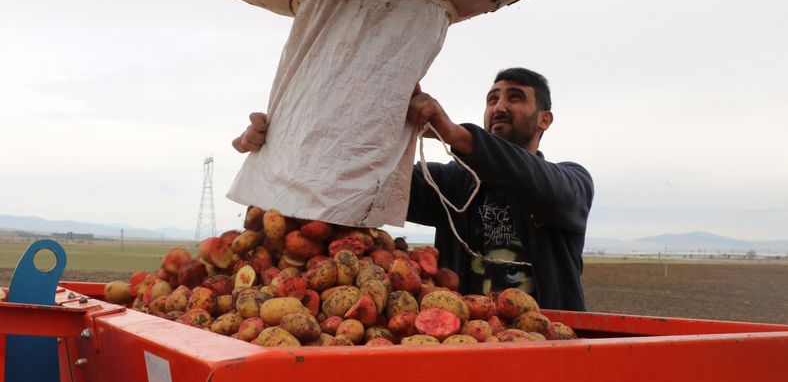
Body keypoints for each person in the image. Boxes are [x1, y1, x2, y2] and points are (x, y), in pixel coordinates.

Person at [233, 68, 593, 311]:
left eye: (515, 98)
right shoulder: (453, 184)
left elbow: (537, 182)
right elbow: (358, 177)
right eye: (492, 98)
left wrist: (455, 134)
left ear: (545, 118)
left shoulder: (572, 181)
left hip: (548, 348)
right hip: (471, 347)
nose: (499, 106)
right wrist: (282, 145)